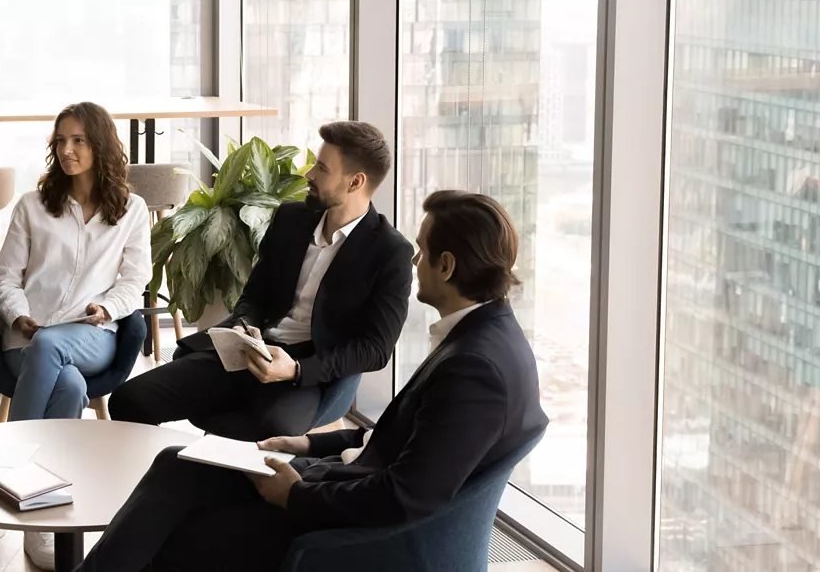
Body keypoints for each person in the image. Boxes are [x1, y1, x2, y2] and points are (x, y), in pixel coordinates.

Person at [75, 190, 551, 572]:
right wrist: (307, 445)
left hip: (350, 523)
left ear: (447, 266)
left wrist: (297, 493)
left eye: (424, 252)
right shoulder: (481, 335)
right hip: (343, 477)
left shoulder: (477, 371)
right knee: (178, 462)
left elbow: (406, 494)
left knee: (176, 528)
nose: (415, 261)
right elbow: (415, 438)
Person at [109, 121, 413, 441]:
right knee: (130, 401)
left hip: (304, 372)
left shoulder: (390, 252)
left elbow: (375, 349)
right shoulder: (291, 218)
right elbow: (256, 293)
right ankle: (157, 483)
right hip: (249, 351)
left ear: (356, 182)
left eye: (322, 168)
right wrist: (243, 323)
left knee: (270, 431)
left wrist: (296, 369)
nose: (309, 173)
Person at [0, 101, 151, 566]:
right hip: (25, 339)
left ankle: (6, 482)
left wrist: (106, 306)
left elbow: (134, 281)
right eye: (61, 141)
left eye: (79, 141)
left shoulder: (131, 210)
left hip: (92, 335)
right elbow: (4, 277)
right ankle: (41, 523)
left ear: (100, 145)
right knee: (68, 386)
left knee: (53, 347)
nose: (66, 150)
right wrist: (18, 315)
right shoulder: (33, 205)